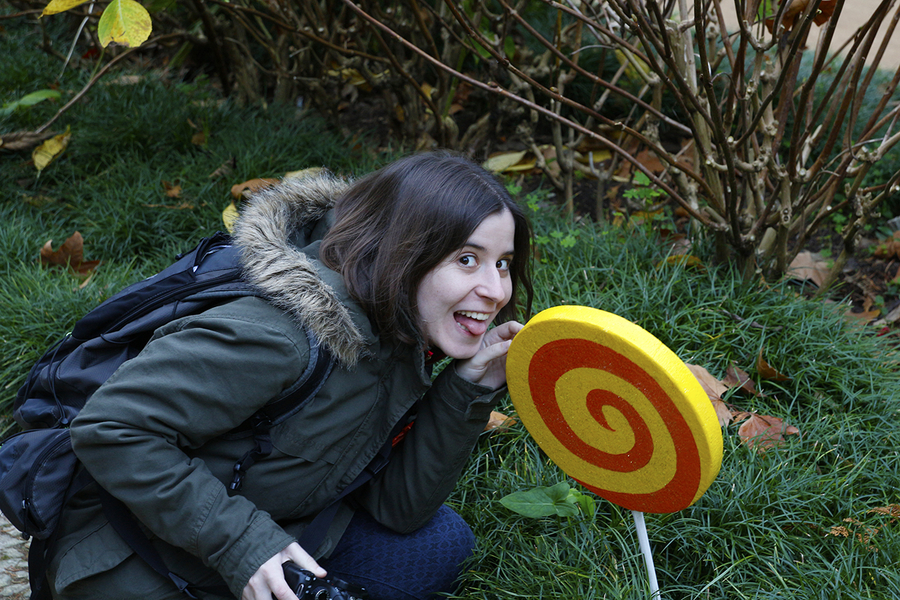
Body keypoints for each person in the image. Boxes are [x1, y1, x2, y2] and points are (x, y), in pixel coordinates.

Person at [45, 151, 534, 600]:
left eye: (503, 263)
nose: (495, 289)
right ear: (404, 252)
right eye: (466, 259)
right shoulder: (278, 336)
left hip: (283, 519)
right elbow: (110, 428)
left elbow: (397, 510)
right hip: (137, 553)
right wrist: (243, 544)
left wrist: (469, 387)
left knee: (439, 543)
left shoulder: (400, 330)